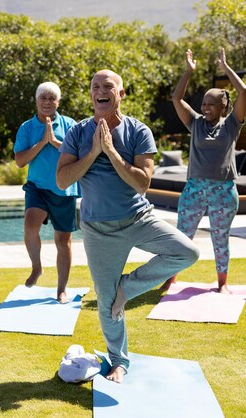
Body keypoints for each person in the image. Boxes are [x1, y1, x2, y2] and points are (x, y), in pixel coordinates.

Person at [56, 69, 199, 383]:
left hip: (139, 219)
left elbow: (142, 183)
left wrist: (110, 151)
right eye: (95, 86)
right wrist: (94, 151)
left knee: (187, 252)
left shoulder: (138, 131)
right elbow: (63, 179)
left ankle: (127, 288)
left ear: (120, 94)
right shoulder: (78, 133)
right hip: (97, 228)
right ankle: (119, 361)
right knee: (107, 307)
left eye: (108, 86)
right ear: (91, 95)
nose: (100, 91)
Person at [163, 48, 246, 294]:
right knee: (182, 236)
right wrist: (188, 71)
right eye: (203, 103)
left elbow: (243, 92)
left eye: (211, 104)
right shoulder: (195, 123)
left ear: (223, 106)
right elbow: (176, 99)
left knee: (220, 239)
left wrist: (226, 68)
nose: (206, 107)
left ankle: (222, 284)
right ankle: (171, 279)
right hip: (195, 188)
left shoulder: (232, 124)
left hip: (223, 190)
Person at [14, 82, 79, 303]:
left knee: (63, 241)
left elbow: (80, 156)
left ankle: (61, 289)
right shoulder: (27, 127)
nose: (47, 102)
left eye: (52, 98)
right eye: (43, 98)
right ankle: (37, 267)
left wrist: (54, 141)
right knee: (30, 225)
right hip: (37, 187)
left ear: (58, 102)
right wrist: (42, 142)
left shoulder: (70, 125)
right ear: (36, 101)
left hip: (64, 188)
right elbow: (20, 161)